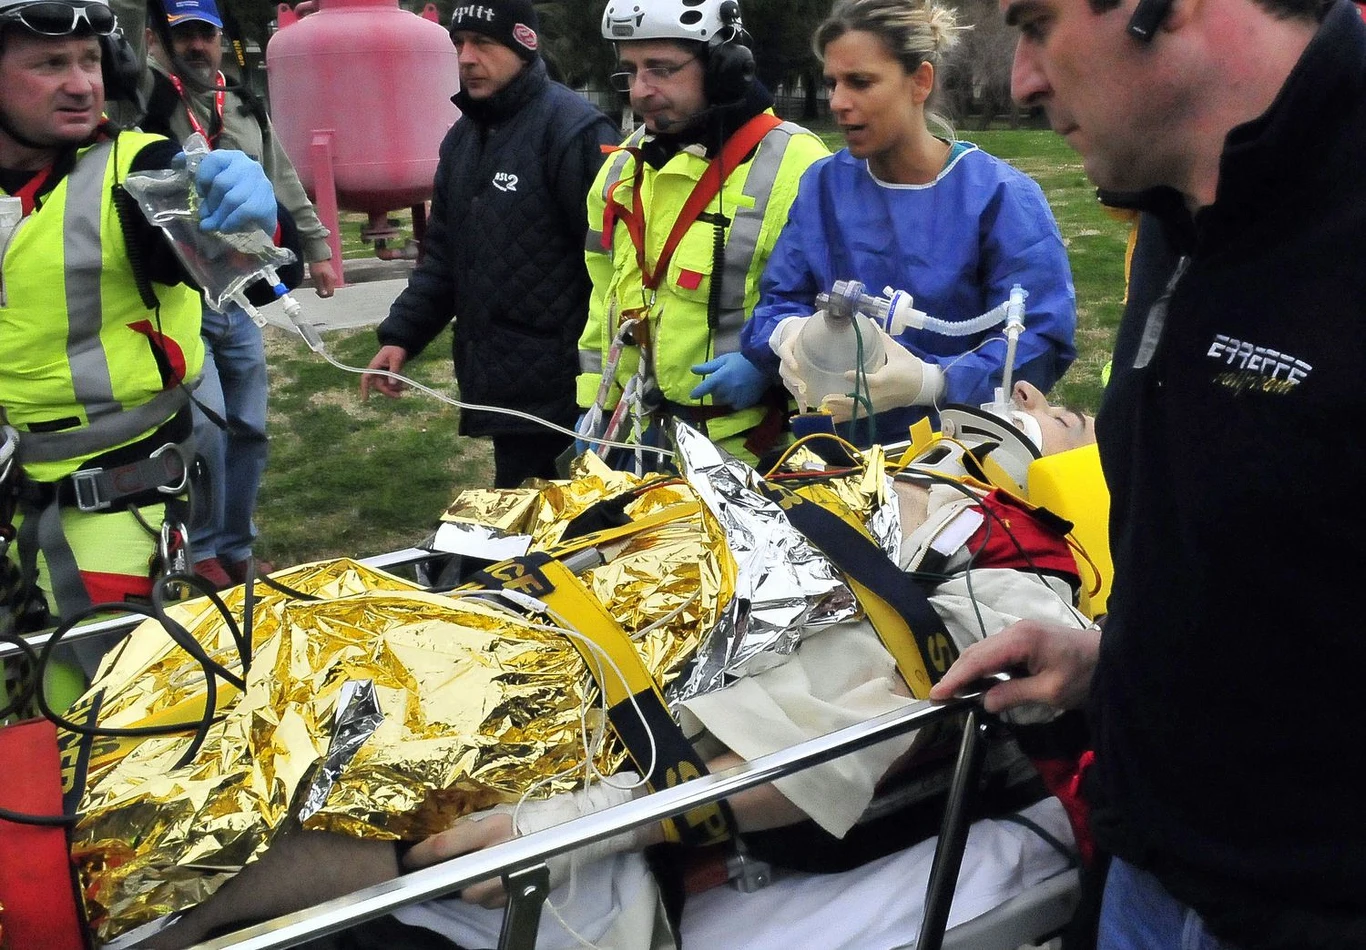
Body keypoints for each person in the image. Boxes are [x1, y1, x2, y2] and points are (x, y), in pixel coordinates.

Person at [930, 0, 1366, 946]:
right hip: (1147, 870)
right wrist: (1114, 663)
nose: (1020, 80)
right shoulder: (1177, 210)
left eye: (1037, 23)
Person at [0, 0, 302, 671]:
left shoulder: (135, 171)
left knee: (127, 734)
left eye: (87, 61)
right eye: (51, 64)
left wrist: (261, 221)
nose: (81, 82)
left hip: (116, 520)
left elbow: (259, 280)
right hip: (13, 515)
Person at [741, 0, 1077, 448]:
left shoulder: (997, 196)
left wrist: (933, 382)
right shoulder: (825, 185)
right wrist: (788, 335)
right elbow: (778, 301)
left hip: (955, 462)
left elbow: (1039, 338)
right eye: (832, 83)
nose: (838, 102)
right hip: (833, 455)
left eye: (860, 82)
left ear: (920, 81)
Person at [359, 0, 619, 490]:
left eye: (483, 43)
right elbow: (445, 255)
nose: (466, 58)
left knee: (579, 534)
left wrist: (605, 381)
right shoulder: (464, 138)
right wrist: (401, 336)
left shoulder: (575, 132)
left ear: (524, 44)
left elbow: (615, 267)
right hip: (504, 382)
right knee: (524, 526)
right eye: (458, 44)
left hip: (572, 389)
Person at [576, 0, 829, 468]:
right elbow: (602, 298)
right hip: (637, 440)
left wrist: (769, 368)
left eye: (661, 69)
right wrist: (595, 403)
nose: (640, 91)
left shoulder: (797, 164)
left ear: (724, 69)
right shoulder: (621, 168)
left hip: (750, 454)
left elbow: (836, 311)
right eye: (629, 71)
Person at [140, 0, 336, 590]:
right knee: (208, 423)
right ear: (156, 38)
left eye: (208, 34)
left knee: (249, 422)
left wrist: (319, 247)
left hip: (238, 290)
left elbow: (282, 176)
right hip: (177, 291)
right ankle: (199, 547)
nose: (198, 46)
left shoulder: (244, 104)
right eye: (185, 35)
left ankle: (235, 545)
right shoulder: (145, 97)